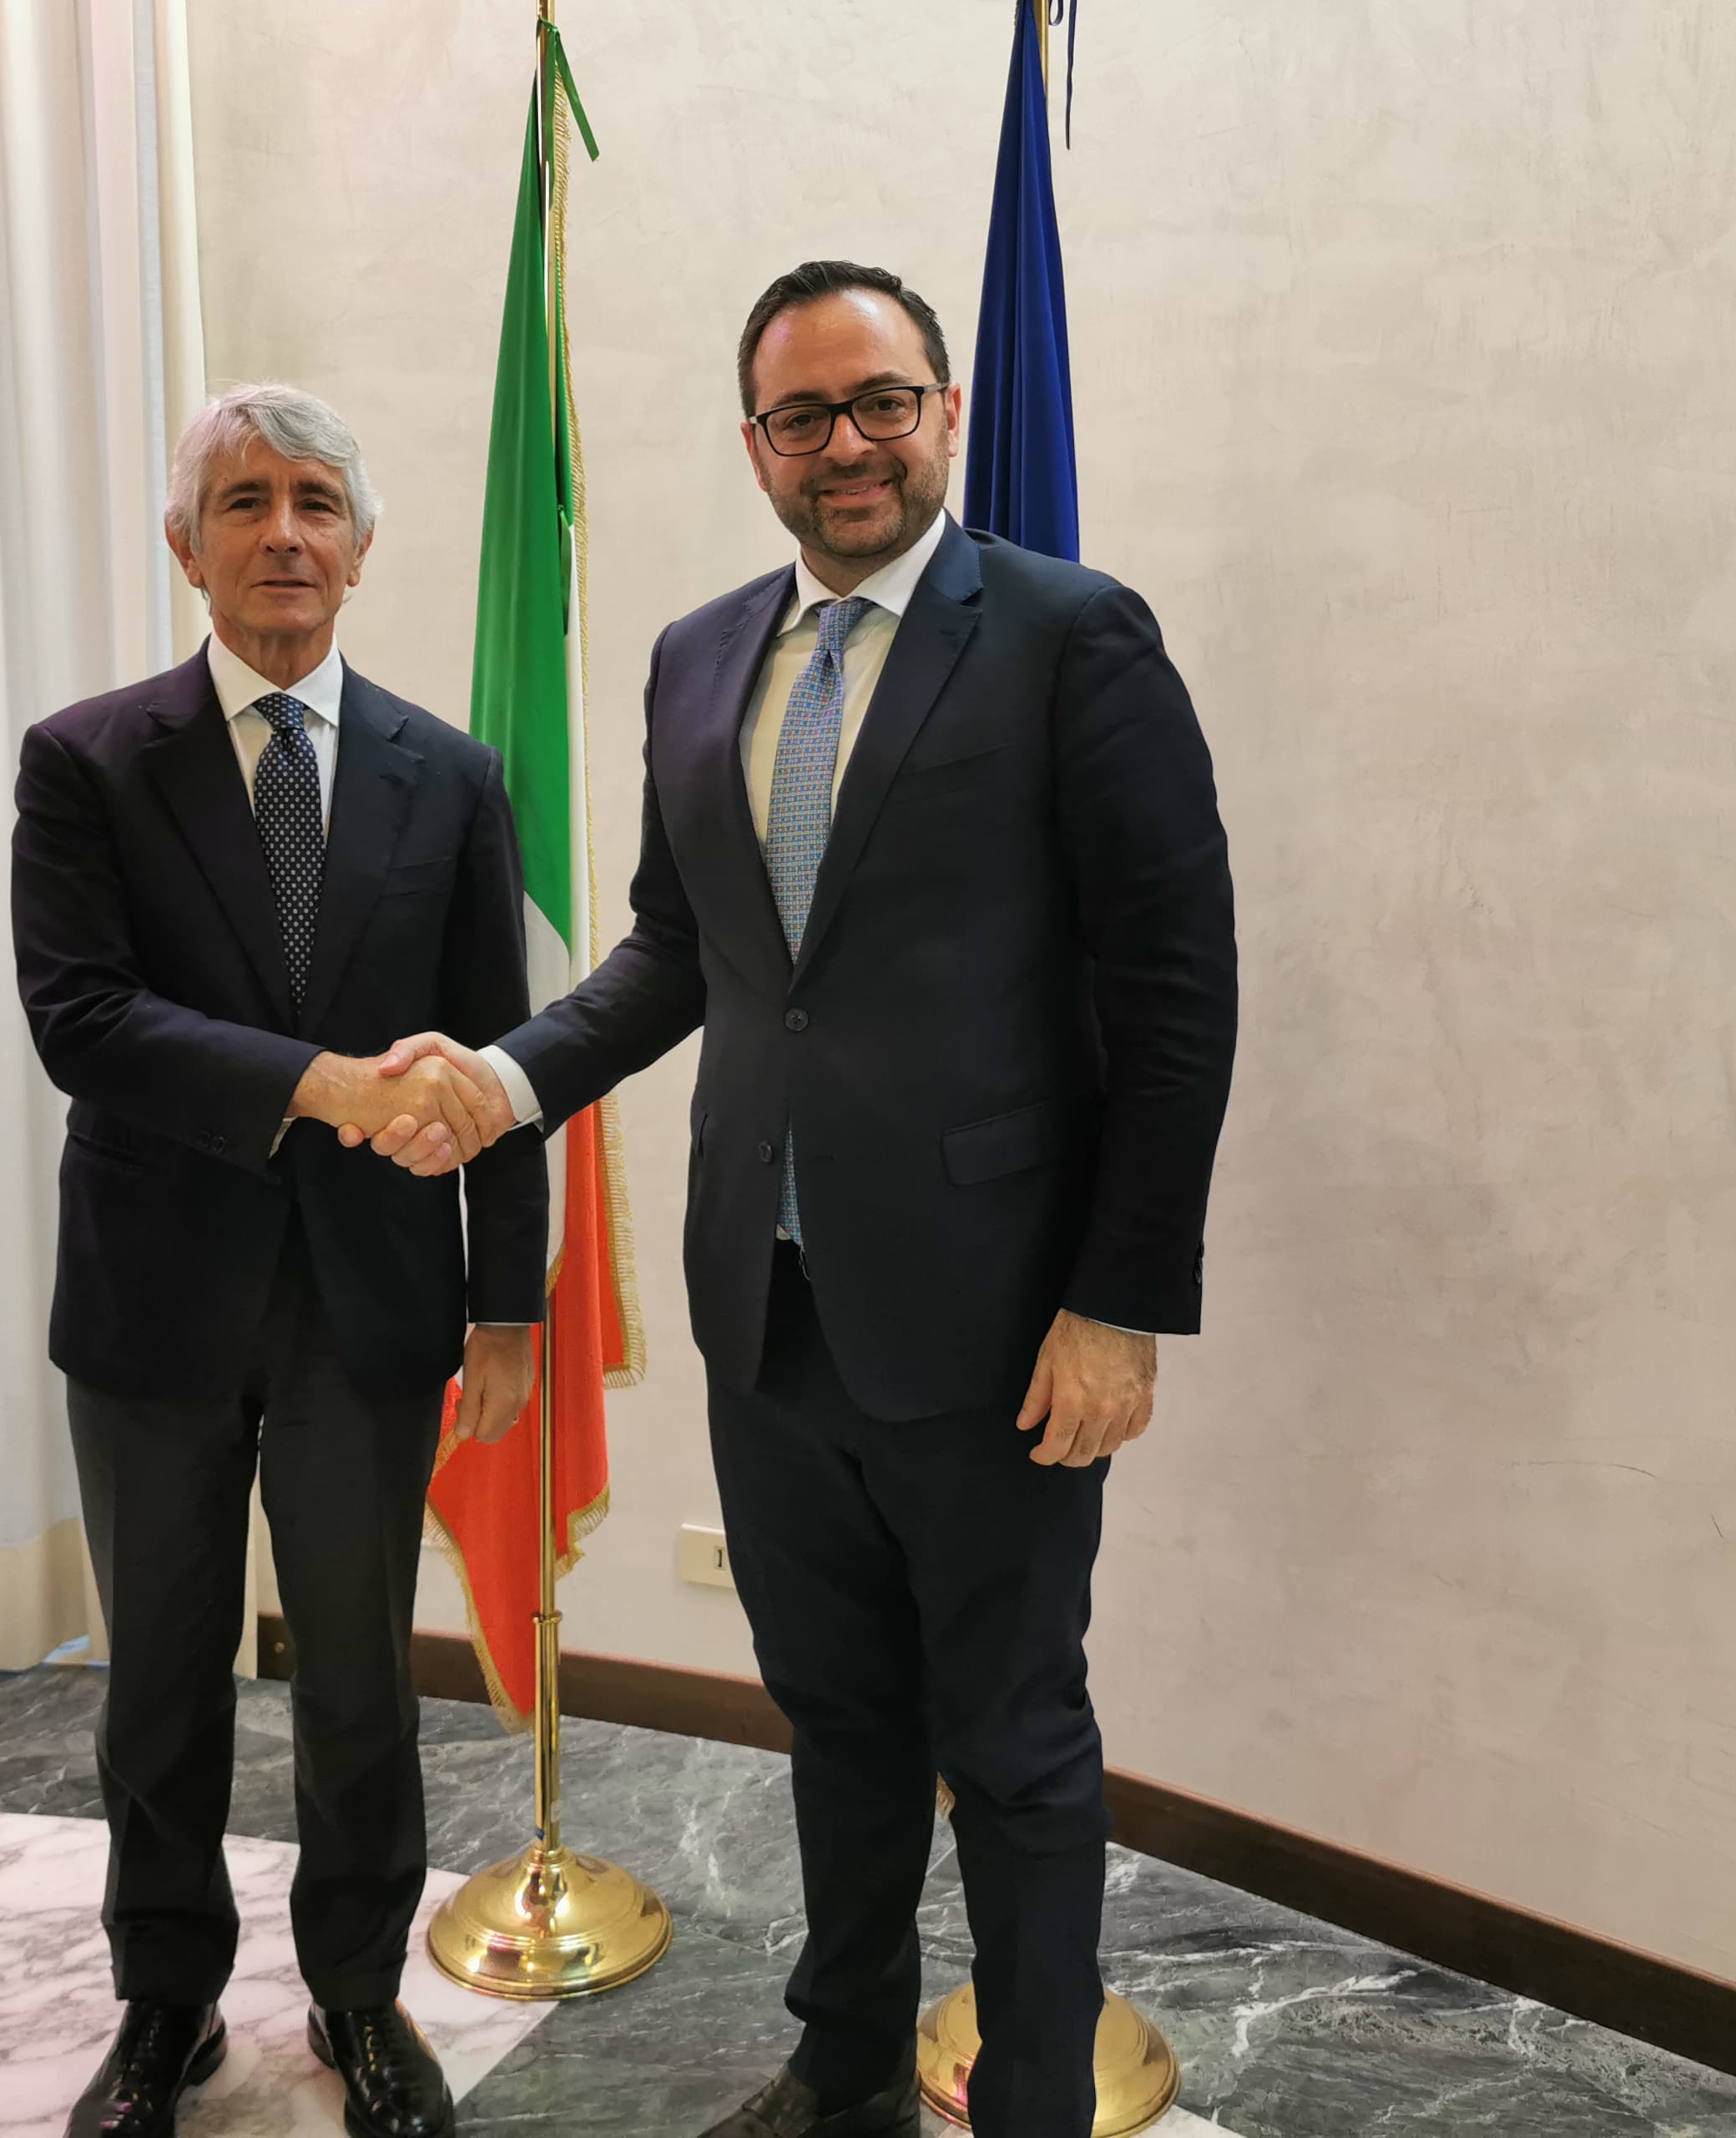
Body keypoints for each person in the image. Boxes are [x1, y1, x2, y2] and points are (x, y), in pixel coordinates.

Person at [377, 262, 1239, 2138]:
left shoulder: (1072, 636)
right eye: (801, 414)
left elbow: (1176, 990)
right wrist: (506, 1081)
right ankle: (843, 2062)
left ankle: (1027, 2101)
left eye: (879, 402)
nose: (845, 442)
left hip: (999, 1324)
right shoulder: (700, 656)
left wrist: (1121, 1302)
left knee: (1012, 1744)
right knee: (837, 1718)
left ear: (943, 410)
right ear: (756, 441)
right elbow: (674, 951)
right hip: (766, 1316)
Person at [13, 384, 531, 2138]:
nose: (284, 532)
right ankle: (165, 2007)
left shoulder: (453, 777)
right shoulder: (88, 761)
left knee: (363, 1682)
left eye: (317, 501)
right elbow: (82, 1022)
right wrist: (319, 1085)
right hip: (153, 1297)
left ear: (362, 548)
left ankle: (361, 1997)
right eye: (244, 501)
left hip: (370, 1305)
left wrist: (508, 1299)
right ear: (188, 545)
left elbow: (498, 1063)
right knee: (161, 1680)